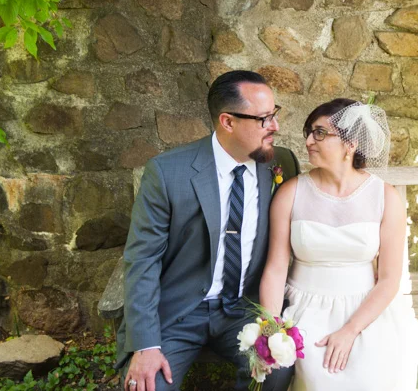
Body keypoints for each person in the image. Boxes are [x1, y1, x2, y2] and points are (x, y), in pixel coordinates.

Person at [116, 70, 299, 391]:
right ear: (227, 122)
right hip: (179, 312)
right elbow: (142, 260)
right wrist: (145, 345)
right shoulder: (168, 172)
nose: (275, 127)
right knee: (147, 387)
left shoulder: (279, 163)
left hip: (245, 309)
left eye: (275, 114)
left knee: (277, 371)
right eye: (264, 119)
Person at [259, 98, 418, 390]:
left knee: (372, 372)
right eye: (309, 131)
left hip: (367, 310)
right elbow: (276, 268)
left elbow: (389, 279)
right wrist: (272, 329)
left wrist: (350, 330)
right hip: (305, 309)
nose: (308, 141)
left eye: (319, 132)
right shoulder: (290, 194)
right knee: (318, 376)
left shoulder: (386, 197)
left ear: (351, 143)